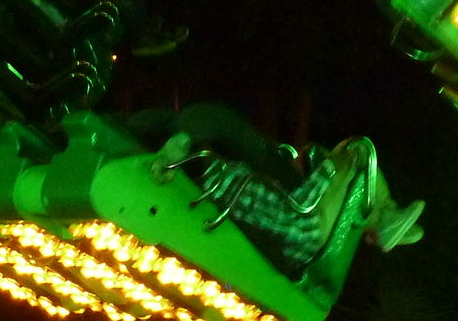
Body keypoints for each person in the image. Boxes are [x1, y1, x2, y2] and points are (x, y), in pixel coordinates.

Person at [128, 102, 423, 279]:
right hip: (217, 192)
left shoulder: (312, 222)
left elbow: (351, 155)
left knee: (209, 121)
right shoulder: (310, 243)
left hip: (212, 183)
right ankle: (147, 134)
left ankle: (384, 211)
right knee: (173, 121)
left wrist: (340, 165)